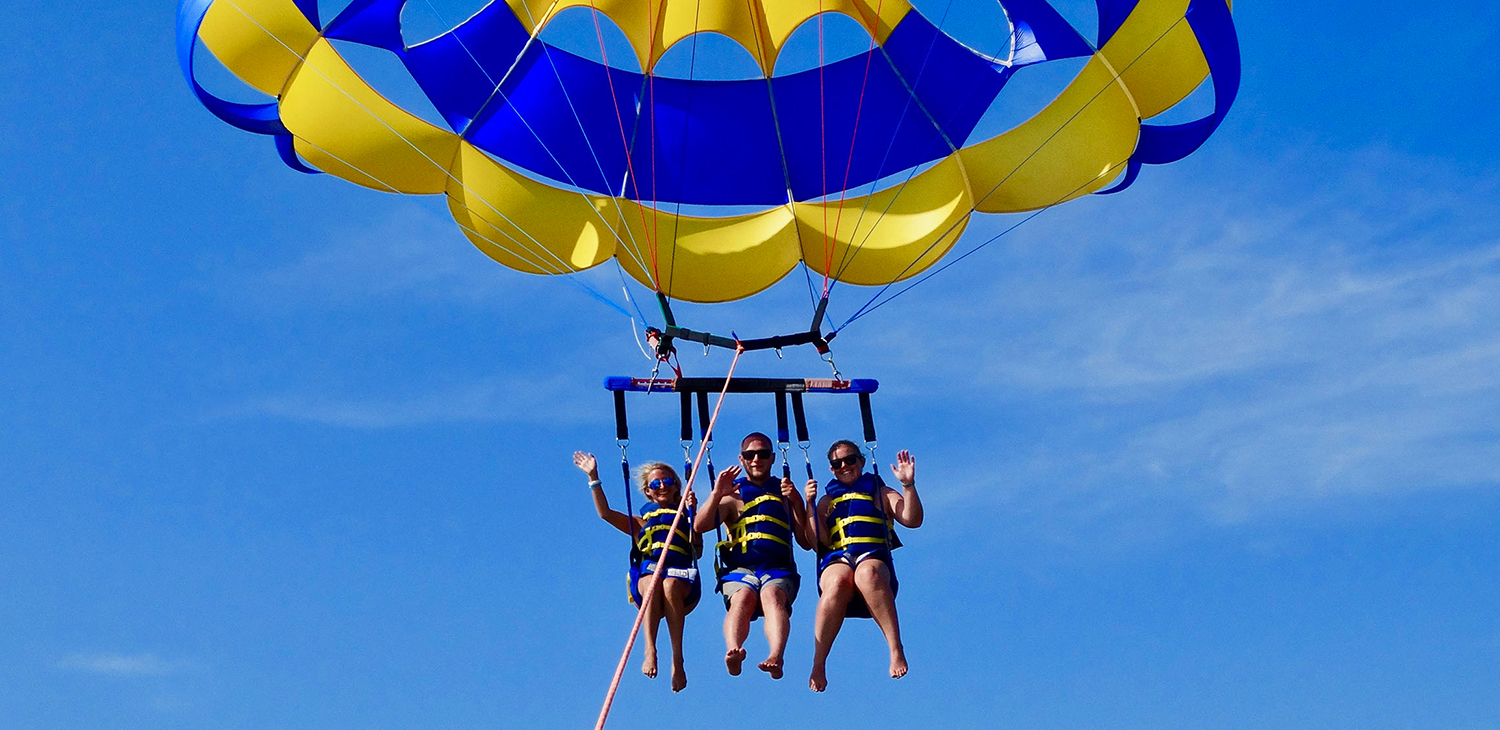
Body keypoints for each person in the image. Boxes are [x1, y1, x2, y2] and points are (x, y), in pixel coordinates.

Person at [574, 451, 702, 692]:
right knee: (654, 581)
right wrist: (593, 477)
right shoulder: (640, 523)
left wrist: (692, 516)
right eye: (656, 484)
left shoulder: (687, 517)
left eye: (667, 481)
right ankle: (650, 649)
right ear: (648, 492)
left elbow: (698, 550)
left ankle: (677, 659)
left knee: (669, 584)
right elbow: (606, 514)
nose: (662, 486)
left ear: (677, 486)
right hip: (648, 582)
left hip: (681, 583)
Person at [803, 441, 924, 692]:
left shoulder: (880, 492)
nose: (844, 466)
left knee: (866, 573)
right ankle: (819, 662)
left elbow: (912, 520)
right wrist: (810, 506)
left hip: (872, 557)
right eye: (837, 464)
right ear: (832, 469)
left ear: (861, 461)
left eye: (850, 460)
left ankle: (895, 648)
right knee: (837, 581)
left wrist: (908, 485)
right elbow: (818, 542)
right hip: (839, 560)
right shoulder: (827, 500)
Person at [693, 432, 812, 679]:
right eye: (750, 455)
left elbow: (805, 542)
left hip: (778, 568)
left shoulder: (784, 493)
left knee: (772, 596)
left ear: (771, 458)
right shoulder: (733, 496)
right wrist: (717, 493)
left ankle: (775, 657)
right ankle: (733, 651)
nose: (756, 459)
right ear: (742, 459)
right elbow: (700, 526)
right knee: (743, 597)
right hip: (741, 571)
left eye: (762, 454)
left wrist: (798, 502)